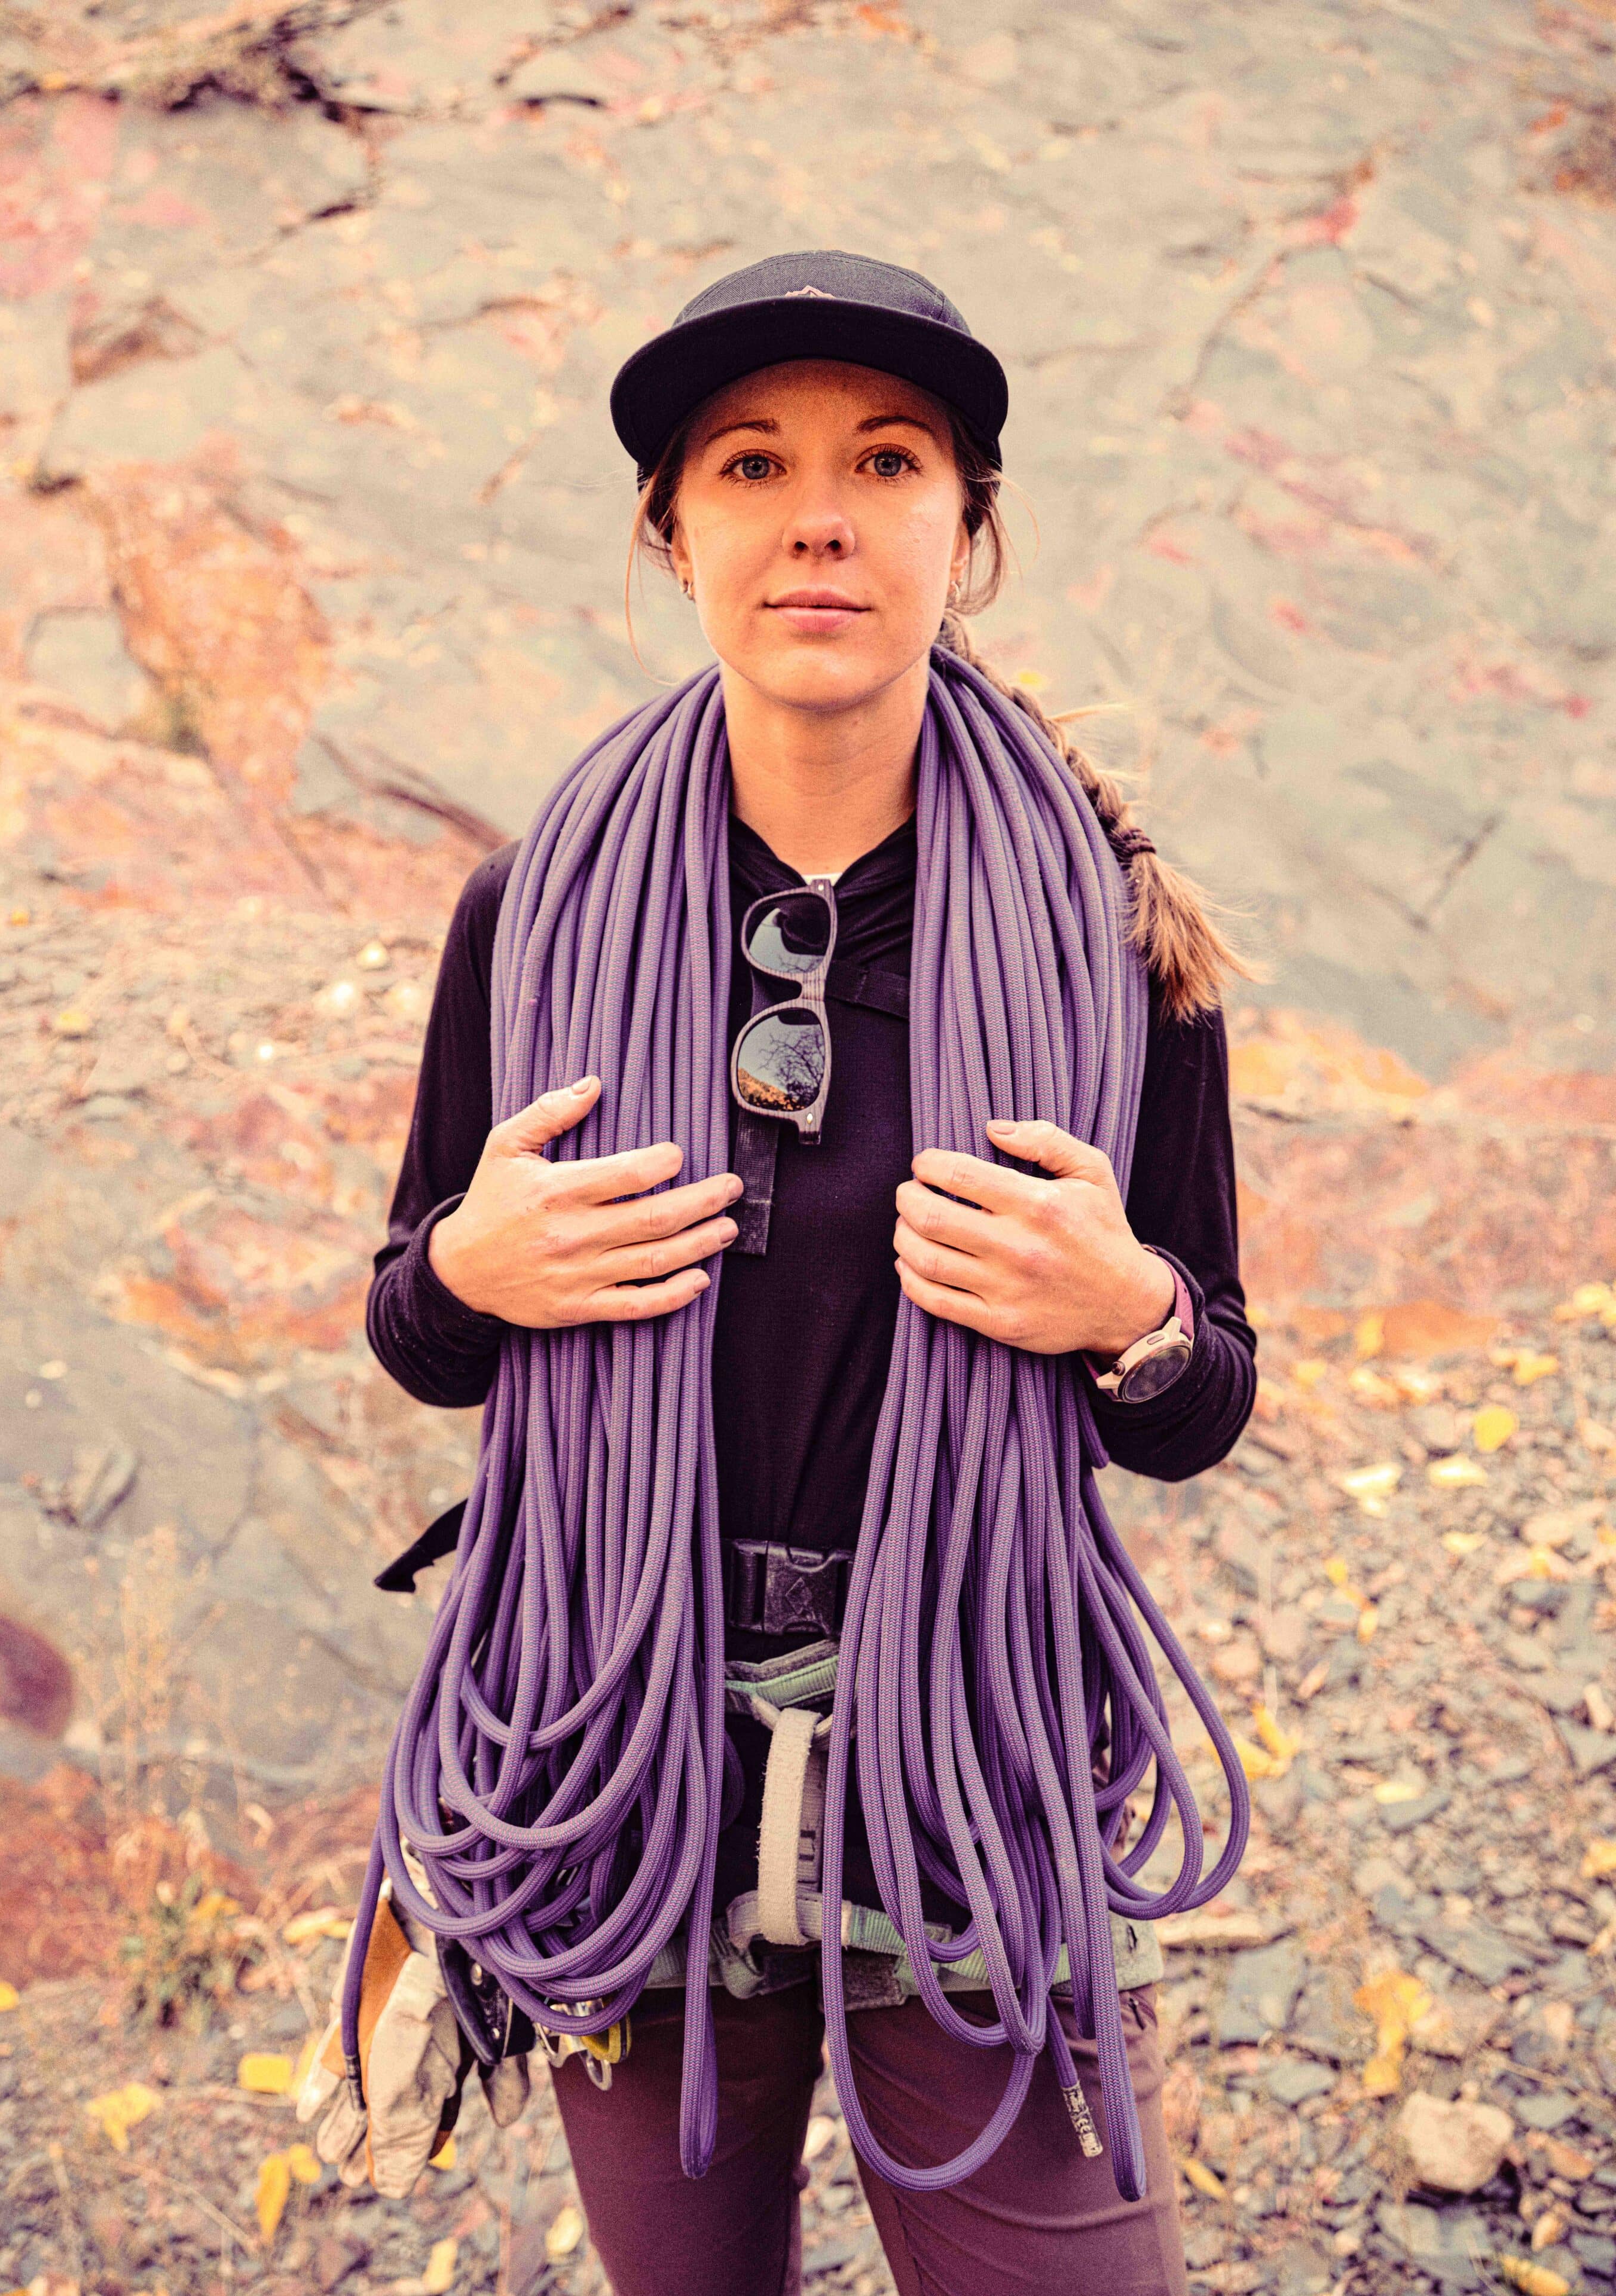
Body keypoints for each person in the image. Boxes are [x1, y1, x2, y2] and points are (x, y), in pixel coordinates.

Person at [359, 251, 1258, 2296]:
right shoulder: (536, 908)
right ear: (674, 534)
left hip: (964, 1754)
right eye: (752, 465)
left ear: (972, 527)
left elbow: (1212, 1393)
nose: (820, 513)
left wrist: (1134, 1316)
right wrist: (470, 1272)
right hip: (623, 1744)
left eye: (888, 460)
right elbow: (416, 1328)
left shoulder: (1110, 934)